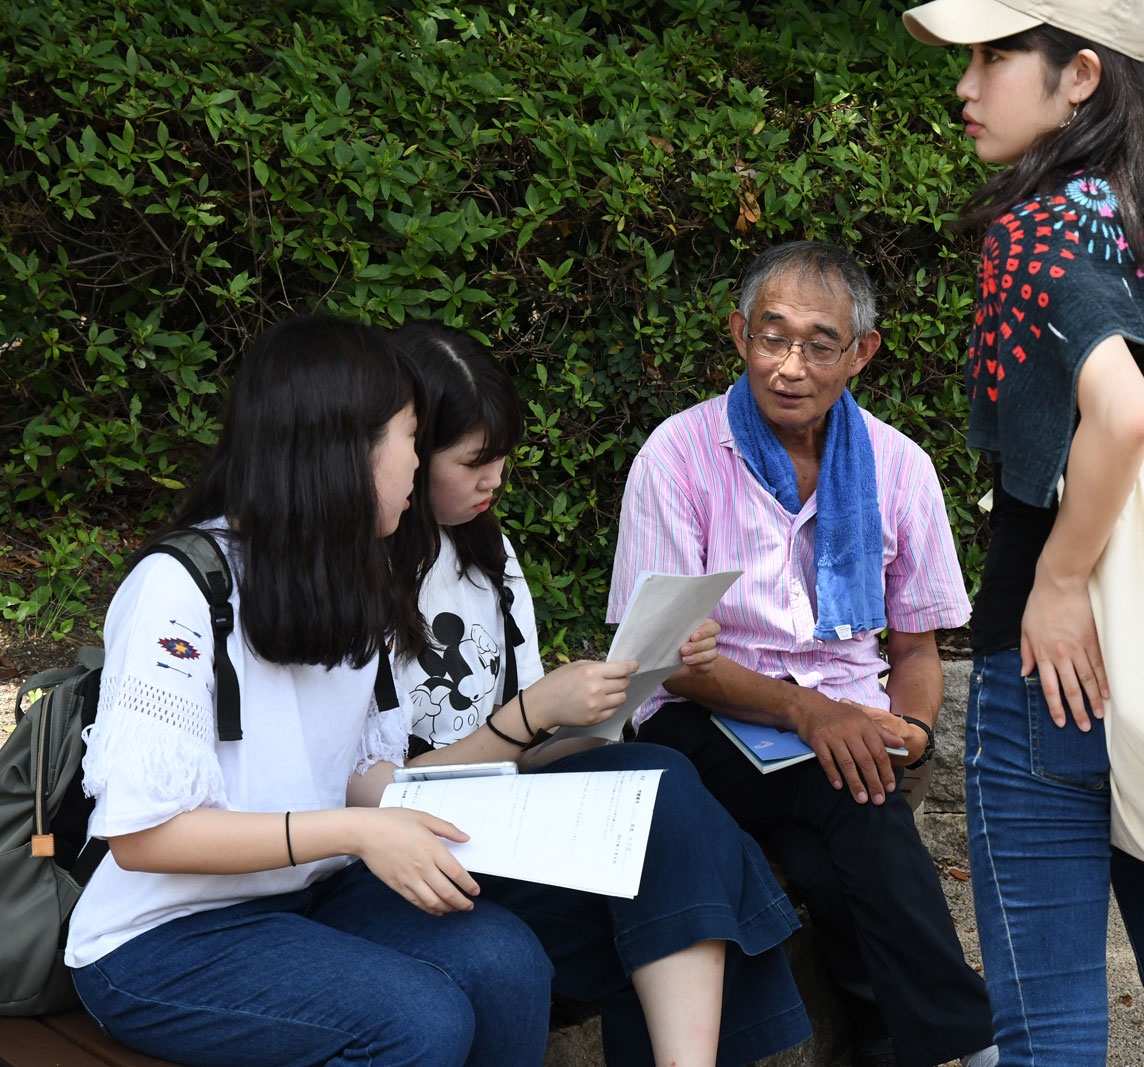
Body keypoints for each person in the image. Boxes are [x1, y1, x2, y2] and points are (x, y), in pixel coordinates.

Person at [902, 0, 1144, 1063]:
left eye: (993, 55)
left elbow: (1123, 415)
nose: (965, 86)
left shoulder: (1034, 229)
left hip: (1049, 668)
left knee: (1050, 1029)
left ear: (1080, 75)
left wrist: (1062, 581)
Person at [64, 316, 548, 1066]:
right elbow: (143, 836)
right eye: (410, 438)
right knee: (420, 1020)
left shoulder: (352, 573)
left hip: (304, 896)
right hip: (161, 938)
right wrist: (358, 833)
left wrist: (481, 809)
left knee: (509, 963)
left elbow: (356, 773)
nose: (418, 463)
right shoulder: (180, 587)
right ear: (345, 451)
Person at [610, 241, 998, 1067]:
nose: (789, 367)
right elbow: (667, 656)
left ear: (862, 351)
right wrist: (806, 710)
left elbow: (916, 649)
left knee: (829, 853)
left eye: (819, 345)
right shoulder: (678, 456)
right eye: (772, 337)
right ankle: (972, 1041)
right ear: (738, 333)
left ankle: (882, 1040)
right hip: (703, 716)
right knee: (850, 792)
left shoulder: (900, 467)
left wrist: (914, 731)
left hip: (851, 720)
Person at [385, 322, 810, 1067]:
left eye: (503, 457)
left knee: (663, 787)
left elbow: (533, 750)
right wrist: (530, 716)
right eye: (475, 461)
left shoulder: (486, 552)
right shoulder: (352, 575)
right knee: (690, 853)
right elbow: (376, 789)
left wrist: (627, 685)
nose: (495, 480)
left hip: (504, 812)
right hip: (414, 841)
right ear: (408, 454)